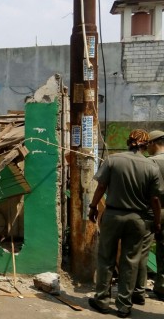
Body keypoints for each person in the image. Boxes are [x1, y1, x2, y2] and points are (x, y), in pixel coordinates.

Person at [87, 129, 162, 318]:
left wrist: (93, 207)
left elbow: (101, 186)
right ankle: (124, 305)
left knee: (106, 258)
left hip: (113, 215)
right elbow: (154, 199)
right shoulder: (150, 166)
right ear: (146, 144)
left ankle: (102, 301)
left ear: (128, 141)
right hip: (138, 219)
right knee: (131, 261)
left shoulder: (113, 160)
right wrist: (157, 222)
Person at [147, 130, 164, 301]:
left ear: (153, 143)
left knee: (156, 249)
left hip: (156, 209)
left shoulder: (150, 162)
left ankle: (160, 287)